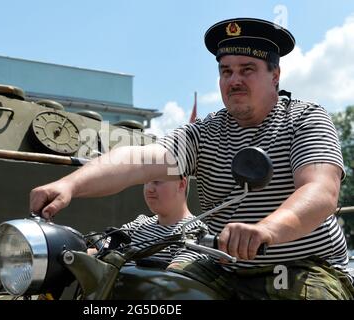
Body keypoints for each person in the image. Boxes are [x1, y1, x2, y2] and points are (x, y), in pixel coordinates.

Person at [30, 17, 354, 299]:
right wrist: (70, 185)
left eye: (247, 70)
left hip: (303, 266)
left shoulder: (305, 118)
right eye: (226, 71)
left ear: (275, 75)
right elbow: (141, 159)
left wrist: (267, 230)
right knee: (148, 289)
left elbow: (320, 190)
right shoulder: (205, 132)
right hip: (222, 263)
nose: (234, 80)